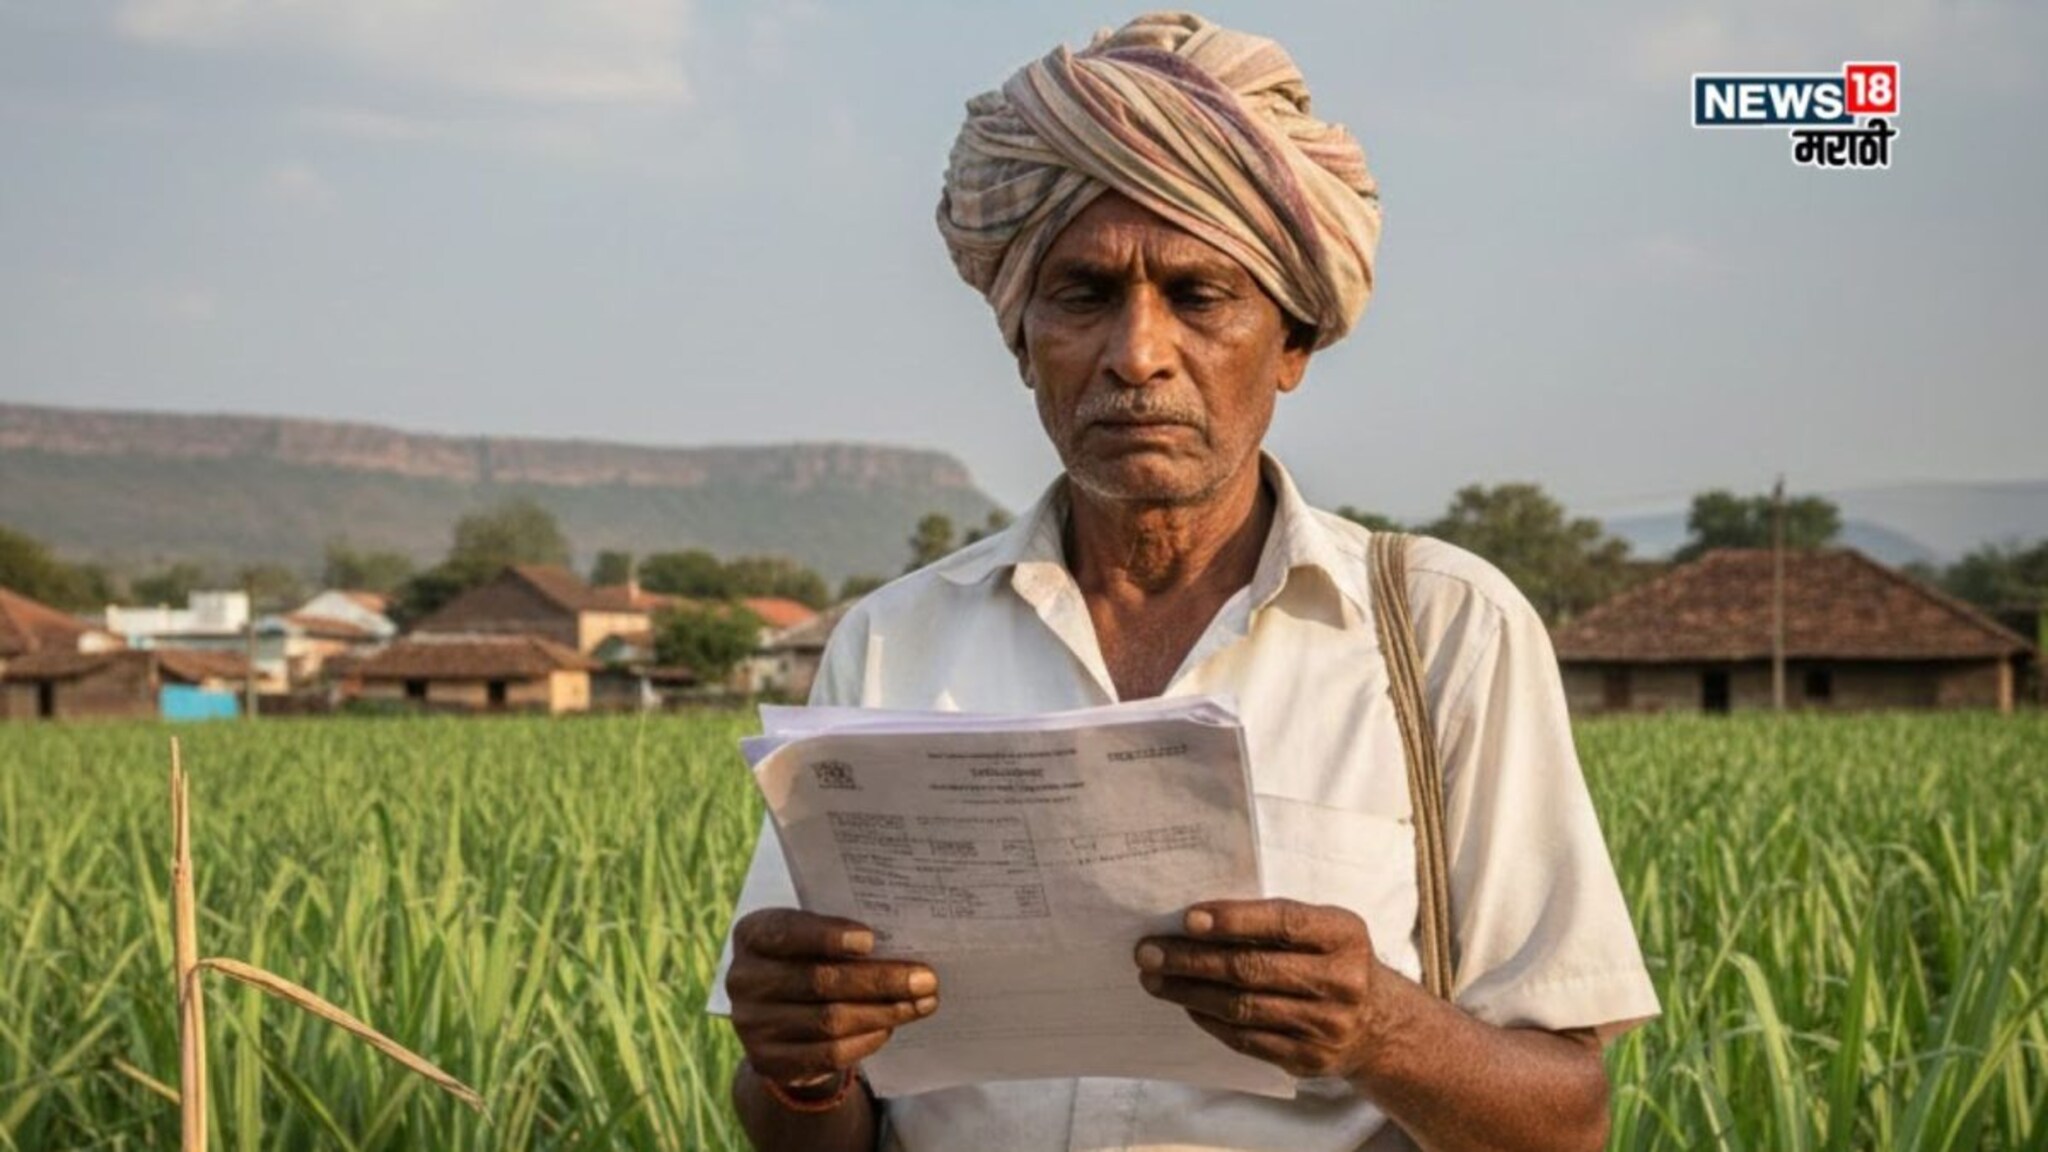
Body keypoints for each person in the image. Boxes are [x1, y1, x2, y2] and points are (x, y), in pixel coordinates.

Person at [709, 12, 1658, 1150]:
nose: (1138, 353)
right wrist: (800, 1070)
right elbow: (811, 1122)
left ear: (1292, 344)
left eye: (1200, 296)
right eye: (1083, 296)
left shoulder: (1444, 632)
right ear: (1022, 344)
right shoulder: (896, 642)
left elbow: (1568, 1123)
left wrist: (1376, 1028)